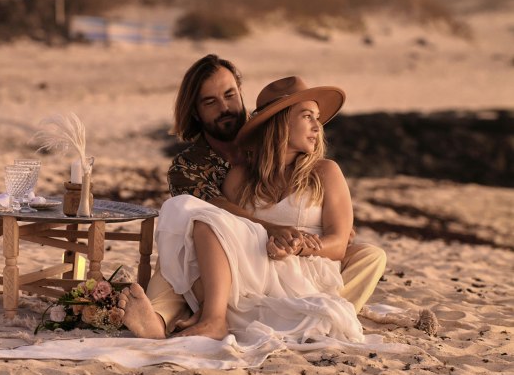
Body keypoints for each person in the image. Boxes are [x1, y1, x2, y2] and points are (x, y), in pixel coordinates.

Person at [119, 56, 386, 339]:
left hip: (295, 260)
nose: (224, 108)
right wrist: (276, 233)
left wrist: (313, 239)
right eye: (210, 102)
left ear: (240, 94)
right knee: (182, 236)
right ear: (196, 112)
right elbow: (215, 214)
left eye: (230, 95)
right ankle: (163, 319)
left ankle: (311, 315)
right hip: (249, 256)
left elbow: (337, 239)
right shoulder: (195, 168)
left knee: (372, 256)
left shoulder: (318, 168)